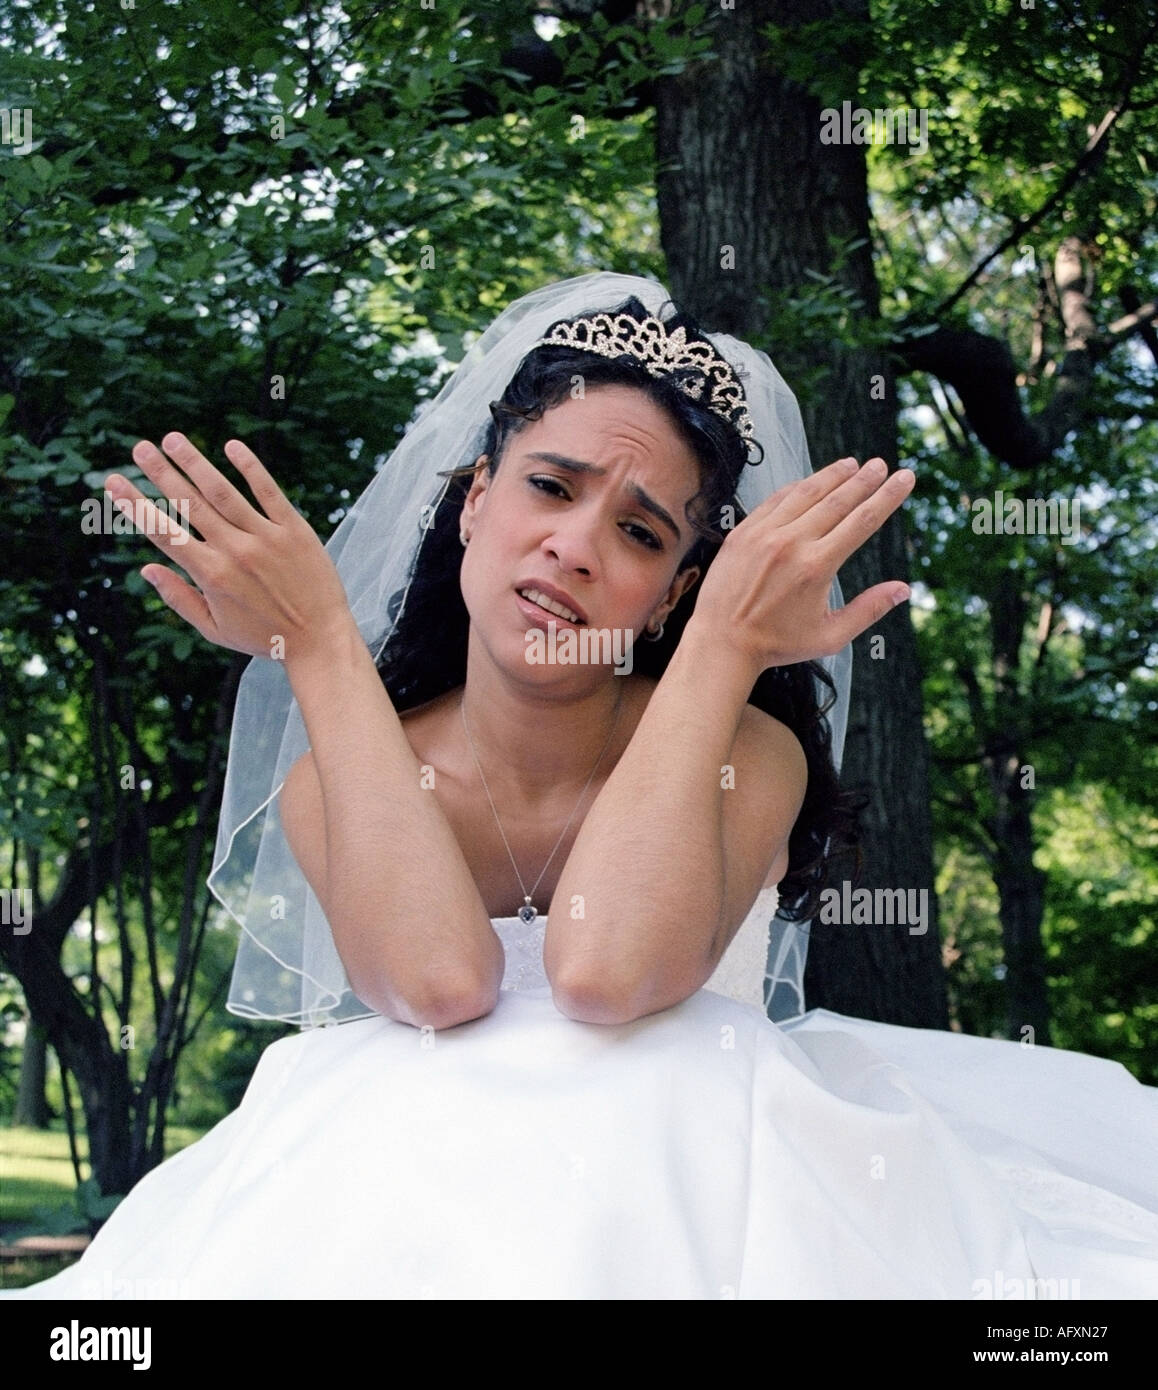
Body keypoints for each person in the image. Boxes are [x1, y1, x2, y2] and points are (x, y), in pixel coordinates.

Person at [8, 273, 1158, 1301]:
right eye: (549, 486)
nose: (573, 544)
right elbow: (440, 983)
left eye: (643, 532)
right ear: (471, 502)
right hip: (405, 1197)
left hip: (710, 1191)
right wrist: (314, 643)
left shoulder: (748, 750)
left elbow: (609, 978)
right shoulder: (339, 775)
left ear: (674, 592)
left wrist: (721, 649)